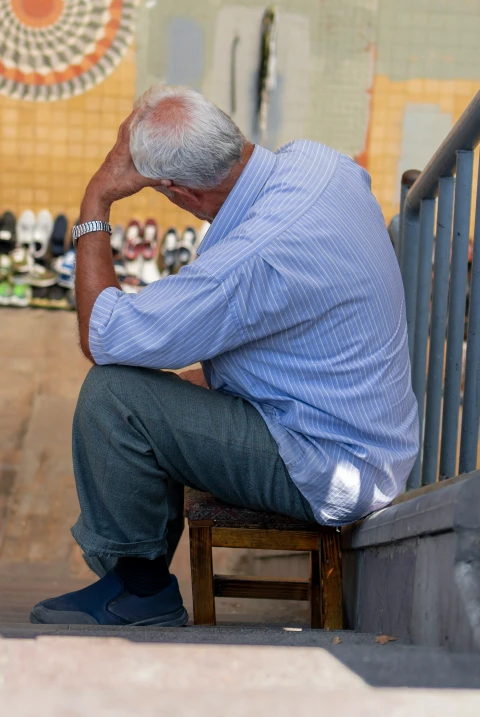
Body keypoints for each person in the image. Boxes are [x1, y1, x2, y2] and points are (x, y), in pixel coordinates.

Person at [31, 85, 419, 626]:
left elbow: (103, 336)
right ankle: (135, 577)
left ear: (178, 193)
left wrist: (96, 200)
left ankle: (140, 590)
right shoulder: (320, 163)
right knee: (174, 383)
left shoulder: (247, 264)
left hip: (328, 463)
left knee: (115, 394)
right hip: (369, 435)